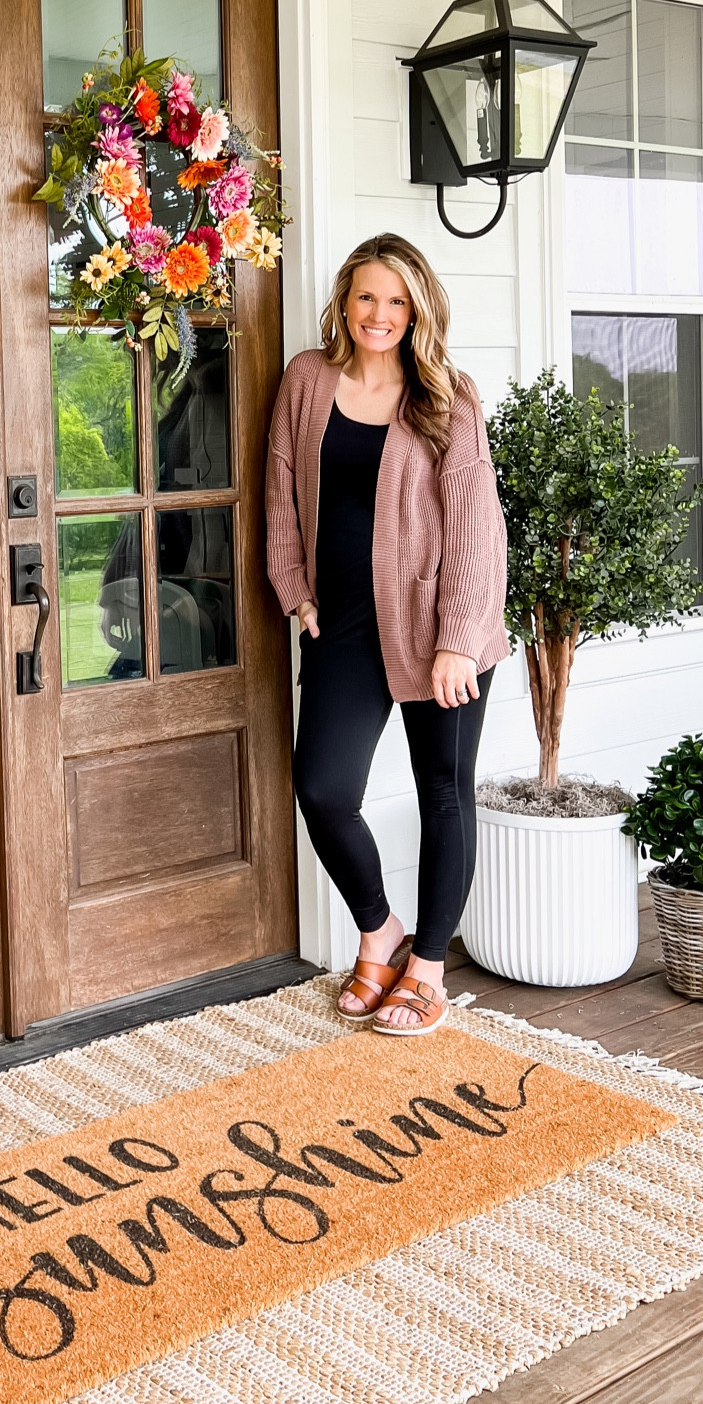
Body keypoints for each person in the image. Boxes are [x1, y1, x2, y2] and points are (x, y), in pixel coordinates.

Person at [265, 233, 508, 1036]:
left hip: (436, 623)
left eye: (397, 301)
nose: (380, 314)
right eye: (368, 296)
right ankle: (382, 934)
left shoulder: (447, 396)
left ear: (417, 309)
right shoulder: (308, 379)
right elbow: (280, 492)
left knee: (444, 791)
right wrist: (295, 590)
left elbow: (478, 526)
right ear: (345, 300)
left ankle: (429, 969)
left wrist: (459, 641)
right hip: (342, 619)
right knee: (324, 790)